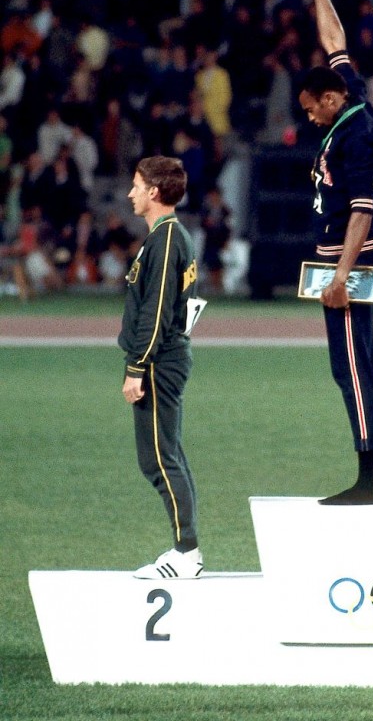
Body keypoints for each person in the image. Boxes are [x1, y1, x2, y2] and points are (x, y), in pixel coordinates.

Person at [295, 0, 373, 506]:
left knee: (354, 362)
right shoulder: (349, 95)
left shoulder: (357, 133)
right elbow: (335, 40)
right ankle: (367, 470)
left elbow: (361, 209)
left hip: (349, 261)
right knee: (345, 362)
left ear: (331, 99)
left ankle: (370, 477)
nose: (309, 118)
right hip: (339, 257)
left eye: (311, 110)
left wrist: (340, 274)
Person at [118, 155, 205, 578]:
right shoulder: (168, 237)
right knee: (166, 454)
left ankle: (186, 552)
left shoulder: (166, 238)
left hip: (158, 361)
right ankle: (186, 548)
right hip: (164, 358)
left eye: (136, 185)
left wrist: (137, 367)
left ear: (154, 191)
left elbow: (154, 313)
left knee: (159, 459)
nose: (131, 193)